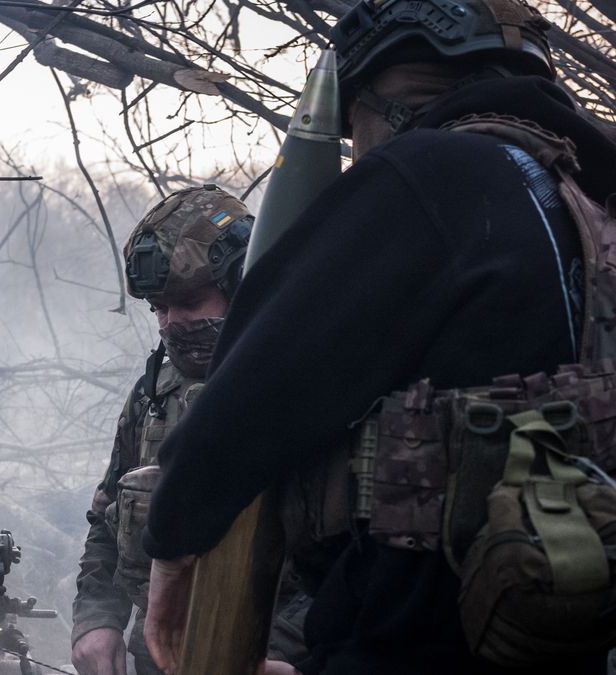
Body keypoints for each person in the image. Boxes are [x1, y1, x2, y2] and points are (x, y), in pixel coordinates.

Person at [140, 1, 616, 674]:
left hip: (410, 645)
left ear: (390, 98)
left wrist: (172, 544)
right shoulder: (591, 205)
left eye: (354, 125)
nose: (356, 147)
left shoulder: (432, 173)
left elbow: (253, 392)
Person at [72, 186, 307, 675]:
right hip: (159, 659)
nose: (173, 323)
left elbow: (347, 561)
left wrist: (281, 654)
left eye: (191, 302)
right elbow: (109, 518)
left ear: (243, 284)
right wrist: (97, 620)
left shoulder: (312, 389)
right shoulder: (155, 394)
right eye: (159, 308)